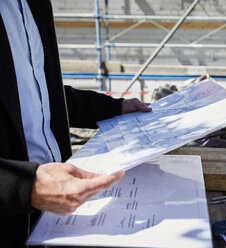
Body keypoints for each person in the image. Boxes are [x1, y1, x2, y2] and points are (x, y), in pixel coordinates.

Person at [0, 0, 152, 246]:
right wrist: (26, 186)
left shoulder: (34, 5)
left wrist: (112, 107)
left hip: (55, 211)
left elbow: (33, 91)